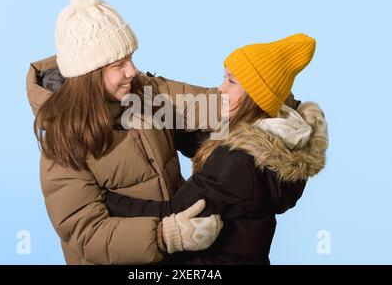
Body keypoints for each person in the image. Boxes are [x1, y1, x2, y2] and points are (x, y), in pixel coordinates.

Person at [25, 0, 224, 265]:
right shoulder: (63, 142)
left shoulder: (145, 93)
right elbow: (85, 231)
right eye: (118, 65)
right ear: (89, 76)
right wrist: (164, 236)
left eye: (130, 57)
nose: (132, 70)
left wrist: (282, 109)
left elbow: (214, 105)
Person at [105, 33, 329, 264]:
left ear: (257, 96)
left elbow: (173, 211)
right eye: (224, 78)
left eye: (231, 82)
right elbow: (206, 142)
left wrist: (106, 200)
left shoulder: (238, 161)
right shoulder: (273, 137)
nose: (220, 89)